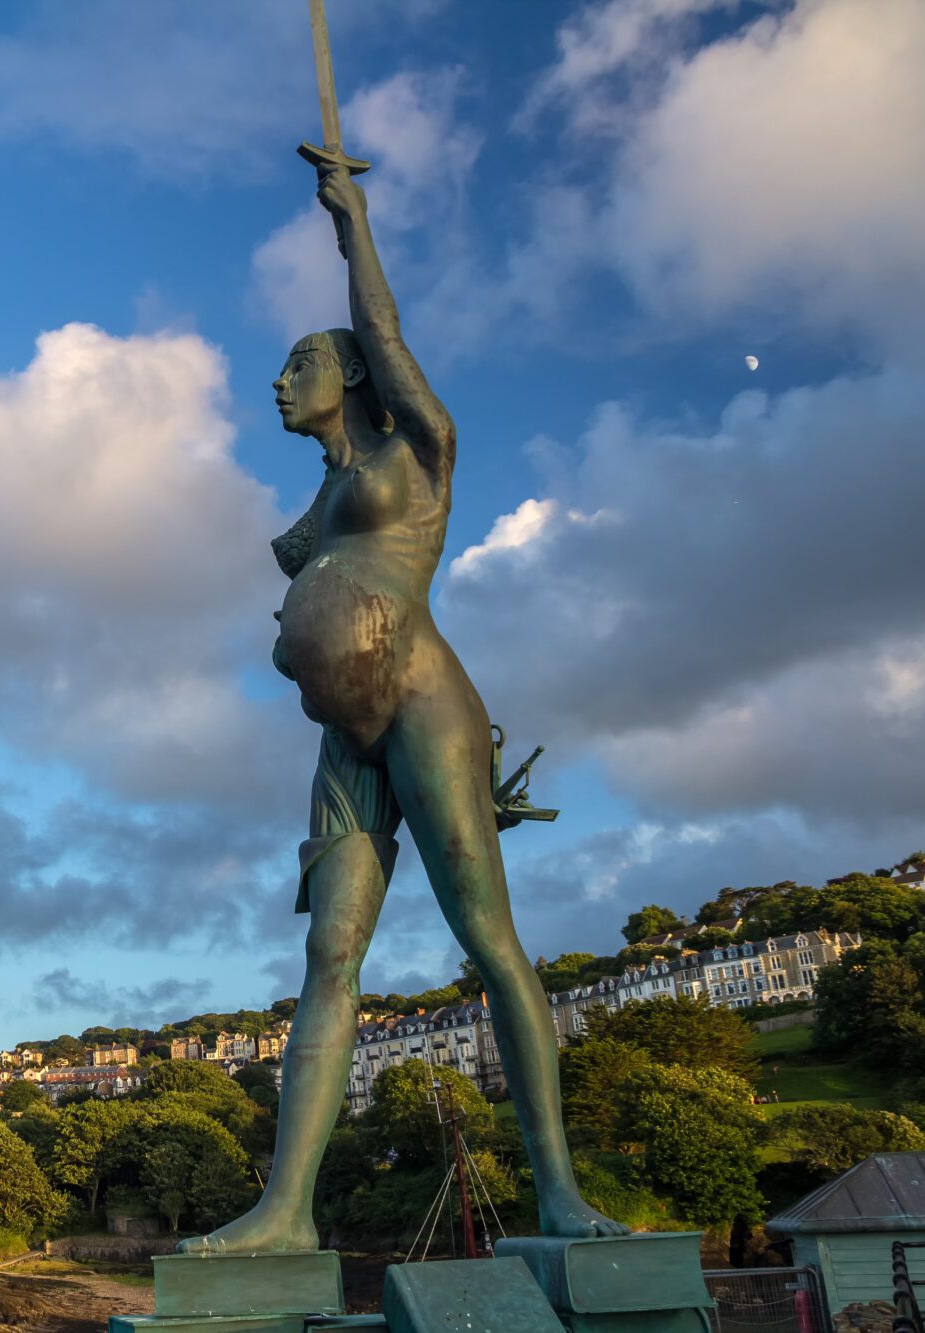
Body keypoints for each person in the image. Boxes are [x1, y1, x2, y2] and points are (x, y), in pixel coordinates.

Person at [179, 165, 625, 1253]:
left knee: (487, 939)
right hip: (346, 739)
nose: (277, 381)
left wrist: (353, 227)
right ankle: (284, 1213)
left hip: (427, 708)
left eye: (299, 364)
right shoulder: (318, 499)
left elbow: (379, 327)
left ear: (351, 375)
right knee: (328, 962)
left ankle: (559, 1192)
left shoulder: (413, 454)